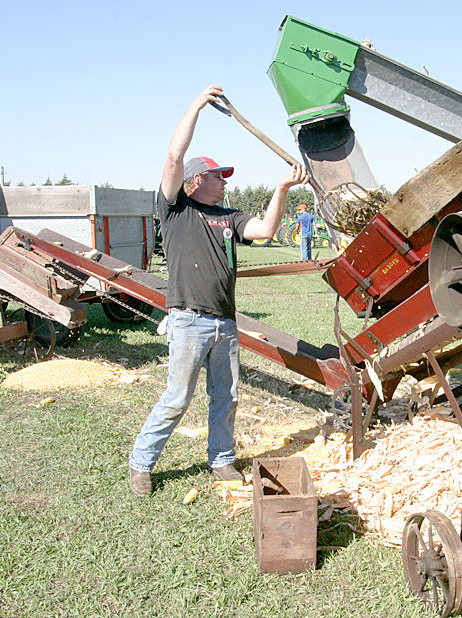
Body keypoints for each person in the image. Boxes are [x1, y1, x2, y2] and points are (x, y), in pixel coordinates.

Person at [128, 84, 310, 498]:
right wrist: (195, 105)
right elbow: (174, 156)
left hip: (224, 322)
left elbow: (264, 231)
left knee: (225, 396)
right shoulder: (175, 210)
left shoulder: (229, 215)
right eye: (217, 176)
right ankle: (141, 463)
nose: (224, 182)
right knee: (177, 399)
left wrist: (281, 191)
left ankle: (222, 459)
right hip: (188, 319)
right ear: (194, 182)